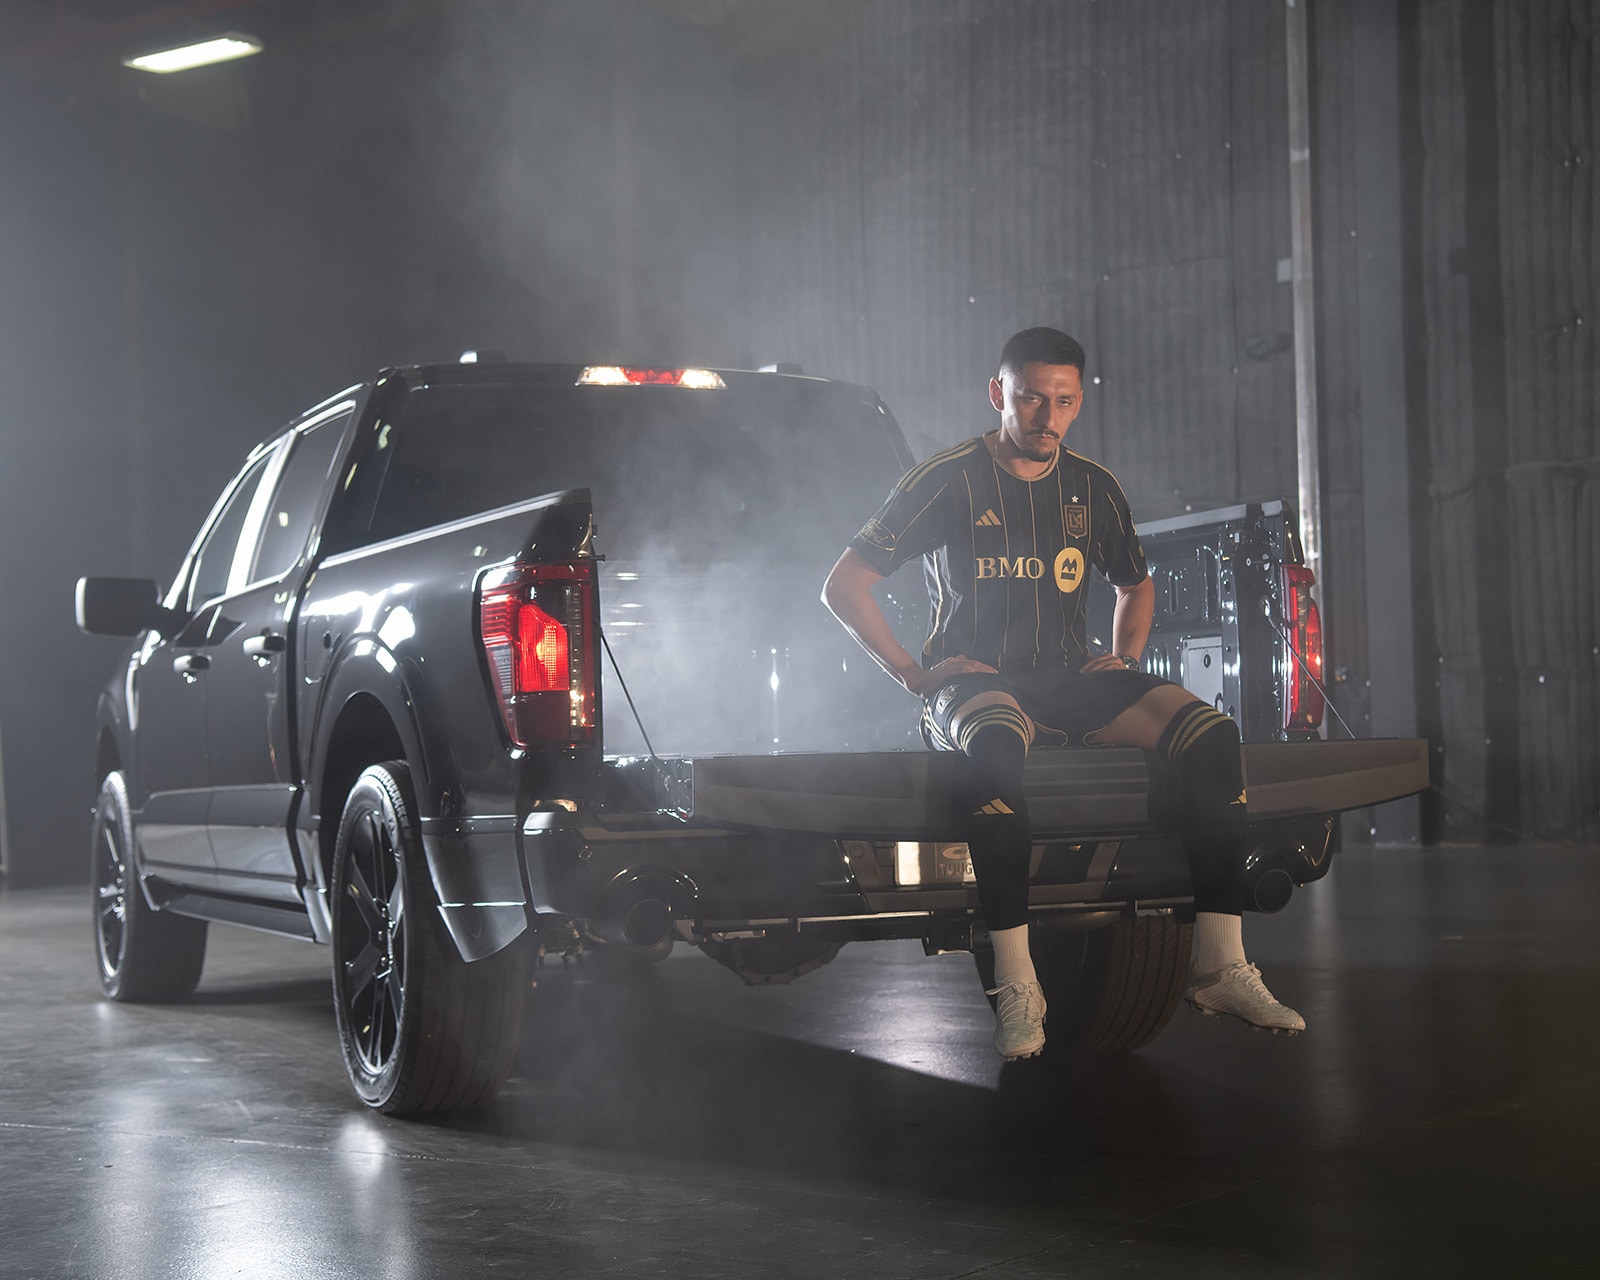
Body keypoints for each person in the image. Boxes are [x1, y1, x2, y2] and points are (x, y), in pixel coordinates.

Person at [821, 326, 1305, 1061]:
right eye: (1031, 399)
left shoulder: (1092, 486)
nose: (1047, 416)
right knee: (993, 747)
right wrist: (914, 674)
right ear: (998, 395)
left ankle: (1220, 965)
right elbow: (844, 584)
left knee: (1212, 735)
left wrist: (1125, 655)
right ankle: (1018, 987)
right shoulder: (945, 479)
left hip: (1069, 678)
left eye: (1064, 401)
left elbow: (1135, 584)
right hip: (977, 685)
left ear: (1079, 402)